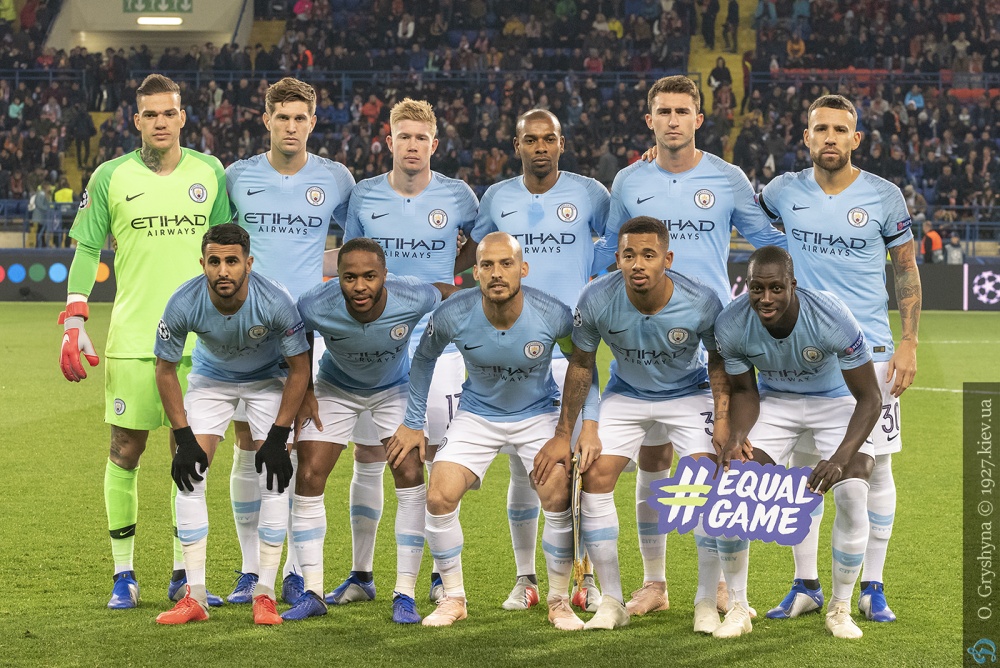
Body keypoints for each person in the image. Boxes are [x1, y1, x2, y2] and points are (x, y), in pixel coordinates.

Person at [607, 74, 785, 617]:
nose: (673, 120)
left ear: (699, 119)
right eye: (664, 112)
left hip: (713, 340)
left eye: (682, 111)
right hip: (646, 336)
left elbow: (769, 240)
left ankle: (722, 585)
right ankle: (654, 584)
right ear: (650, 120)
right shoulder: (629, 180)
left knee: (717, 463)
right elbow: (608, 250)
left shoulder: (727, 178)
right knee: (652, 458)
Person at [60, 73, 231, 609]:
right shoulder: (110, 176)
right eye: (150, 114)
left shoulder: (210, 172)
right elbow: (88, 249)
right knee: (126, 449)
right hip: (135, 337)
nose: (160, 121)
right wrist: (74, 317)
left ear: (183, 117)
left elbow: (227, 249)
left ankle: (184, 574)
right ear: (136, 120)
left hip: (200, 343)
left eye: (169, 112)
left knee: (190, 454)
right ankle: (124, 575)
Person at [756, 93, 921, 623]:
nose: (830, 137)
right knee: (801, 469)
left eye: (840, 129)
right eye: (820, 129)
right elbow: (737, 208)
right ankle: (806, 585)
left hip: (871, 351)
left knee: (874, 469)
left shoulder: (884, 195)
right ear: (806, 137)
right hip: (802, 349)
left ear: (856, 138)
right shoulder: (782, 191)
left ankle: (873, 585)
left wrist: (909, 341)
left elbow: (905, 267)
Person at [387, 231, 597, 629]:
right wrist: (413, 422)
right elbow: (423, 359)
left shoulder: (553, 313)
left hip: (537, 414)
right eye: (487, 265)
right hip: (477, 415)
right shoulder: (453, 312)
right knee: (438, 496)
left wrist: (580, 428)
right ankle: (454, 598)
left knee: (557, 494)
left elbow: (584, 365)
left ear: (523, 269)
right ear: (476, 272)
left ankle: (558, 602)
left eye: (506, 264)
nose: (497, 273)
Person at [537, 216, 736, 633]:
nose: (638, 264)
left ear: (668, 258)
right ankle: (614, 600)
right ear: (618, 259)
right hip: (626, 394)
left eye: (649, 255)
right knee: (593, 475)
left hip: (687, 393)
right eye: (629, 255)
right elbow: (581, 364)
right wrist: (577, 428)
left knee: (703, 480)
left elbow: (719, 362)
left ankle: (705, 598)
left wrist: (722, 420)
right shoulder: (596, 297)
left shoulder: (701, 299)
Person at [339, 97, 479, 604]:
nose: (413, 145)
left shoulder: (458, 195)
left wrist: (445, 277)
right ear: (389, 141)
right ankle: (362, 574)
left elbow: (480, 247)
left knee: (436, 457)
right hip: (374, 344)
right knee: (369, 453)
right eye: (404, 137)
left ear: (434, 144)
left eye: (422, 138)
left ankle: (440, 576)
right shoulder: (364, 195)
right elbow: (351, 260)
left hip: (436, 345)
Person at [469, 108, 609, 612]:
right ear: (517, 145)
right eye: (531, 140)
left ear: (562, 143)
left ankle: (585, 578)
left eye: (549, 139)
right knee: (522, 470)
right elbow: (478, 250)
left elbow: (614, 240)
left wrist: (589, 271)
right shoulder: (497, 197)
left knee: (579, 467)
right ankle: (525, 578)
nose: (541, 147)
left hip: (572, 346)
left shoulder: (591, 193)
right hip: (512, 344)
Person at [225, 76, 355, 606]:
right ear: (267, 120)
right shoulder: (237, 177)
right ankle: (250, 570)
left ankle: (297, 573)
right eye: (283, 117)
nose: (292, 126)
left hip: (305, 333)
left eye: (301, 118)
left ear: (313, 122)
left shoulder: (336, 179)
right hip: (245, 330)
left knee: (297, 445)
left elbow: (359, 245)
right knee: (247, 445)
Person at [282, 238, 459, 623]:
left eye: (369, 276)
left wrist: (483, 308)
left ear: (384, 276)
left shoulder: (411, 295)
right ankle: (312, 592)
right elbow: (297, 330)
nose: (359, 286)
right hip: (335, 388)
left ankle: (404, 594)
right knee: (308, 475)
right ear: (337, 278)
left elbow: (449, 293)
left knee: (410, 473)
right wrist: (307, 390)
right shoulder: (316, 302)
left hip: (393, 389)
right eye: (349, 277)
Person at [715, 245, 882, 639]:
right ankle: (738, 608)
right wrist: (736, 437)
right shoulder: (731, 323)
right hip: (777, 402)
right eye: (757, 288)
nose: (766, 298)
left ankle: (840, 607)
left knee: (852, 492)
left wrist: (839, 459)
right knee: (731, 488)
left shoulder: (829, 315)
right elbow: (745, 391)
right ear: (747, 286)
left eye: (776, 288)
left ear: (792, 284)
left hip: (836, 400)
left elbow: (870, 398)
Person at [153, 223, 310, 625]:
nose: (223, 270)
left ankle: (265, 593)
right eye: (214, 261)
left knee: (274, 478)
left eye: (232, 261)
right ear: (203, 263)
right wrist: (184, 437)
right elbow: (165, 369)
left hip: (267, 380)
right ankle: (195, 596)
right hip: (211, 381)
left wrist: (278, 436)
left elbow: (299, 367)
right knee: (190, 474)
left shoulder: (275, 300)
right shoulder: (183, 301)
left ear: (248, 263)